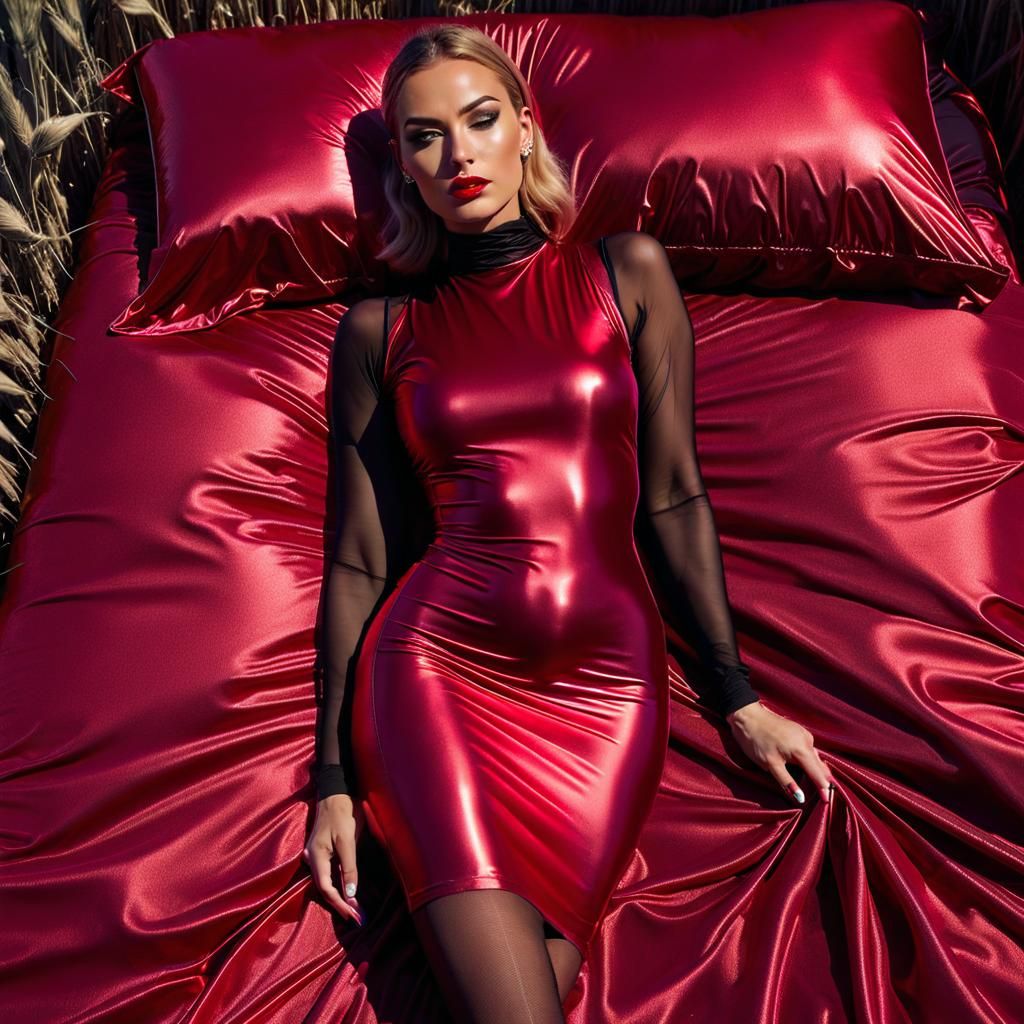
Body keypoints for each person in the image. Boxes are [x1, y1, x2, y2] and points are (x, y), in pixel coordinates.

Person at [303, 24, 835, 1024]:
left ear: (524, 130)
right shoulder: (378, 330)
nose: (457, 154)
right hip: (437, 677)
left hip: (608, 692)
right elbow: (360, 559)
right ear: (403, 174)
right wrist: (331, 776)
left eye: (479, 120)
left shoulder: (626, 272)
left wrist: (735, 697)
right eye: (423, 138)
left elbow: (675, 496)